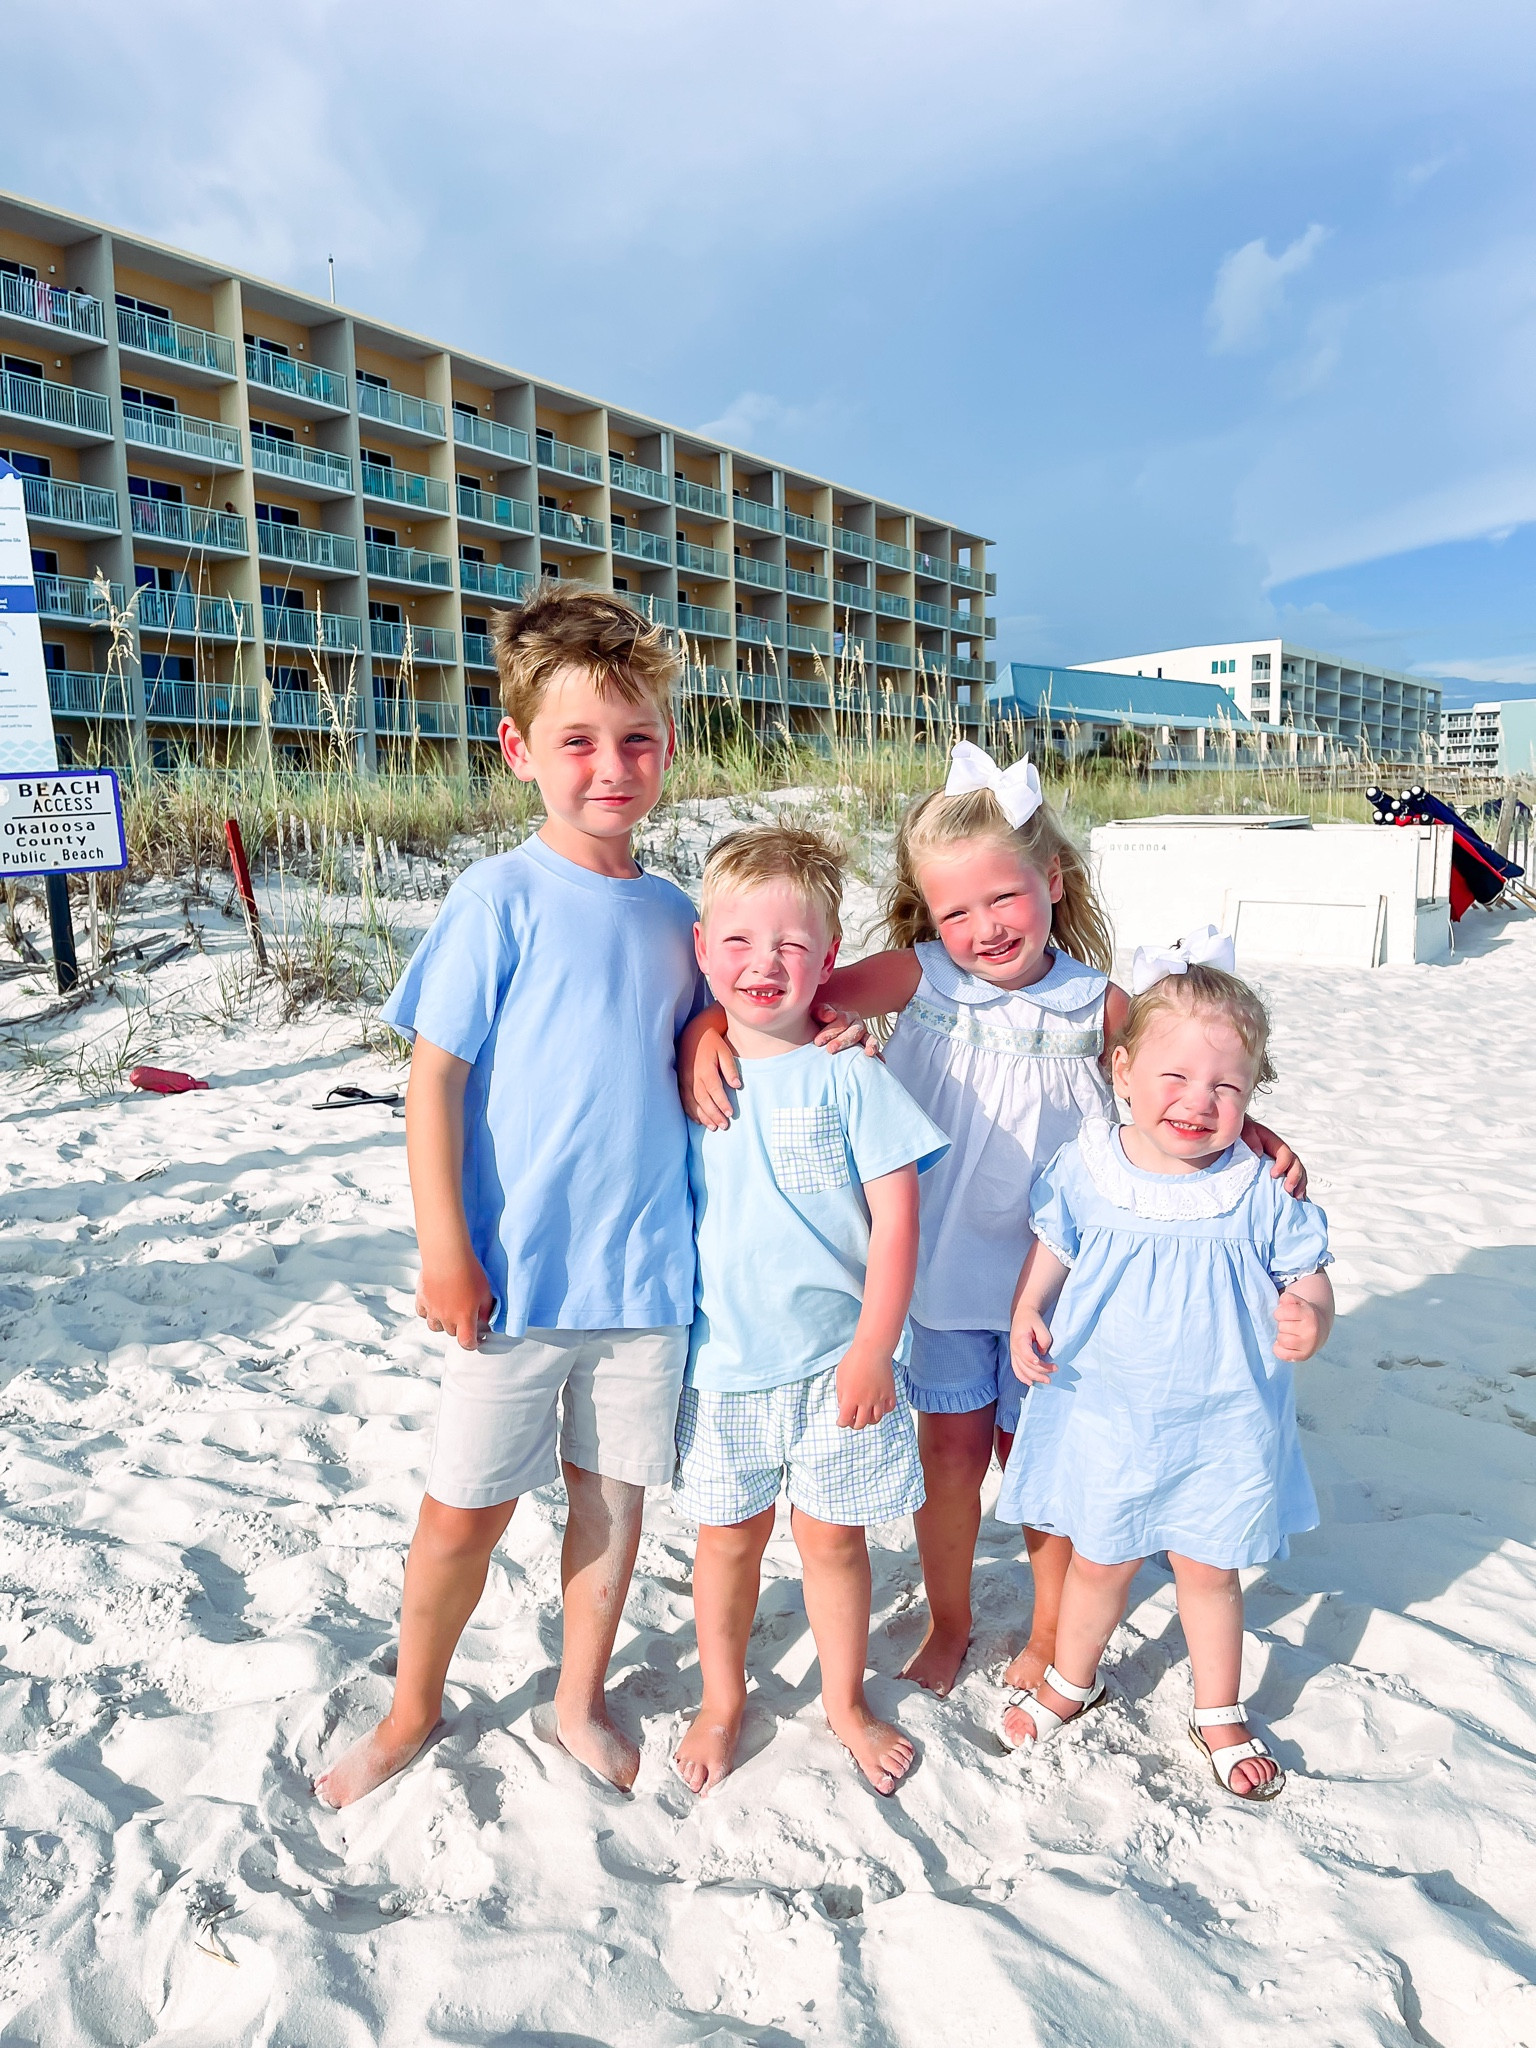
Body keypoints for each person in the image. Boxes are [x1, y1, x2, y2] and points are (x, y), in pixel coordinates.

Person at [683, 742, 1307, 1701]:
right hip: (937, 1272)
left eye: (1004, 898)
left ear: (1051, 879)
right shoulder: (921, 977)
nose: (984, 928)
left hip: (1058, 1285)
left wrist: (1250, 1128)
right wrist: (701, 1033)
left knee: (1041, 1463)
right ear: (930, 917)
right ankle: (952, 1620)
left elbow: (1184, 1073)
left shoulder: (1098, 1004)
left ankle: (1052, 1632)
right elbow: (781, 1003)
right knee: (951, 1456)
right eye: (956, 911)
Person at [314, 582, 706, 1807]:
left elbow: (718, 1027)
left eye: (635, 738)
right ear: (517, 749)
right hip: (518, 1277)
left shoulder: (682, 914)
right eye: (578, 740)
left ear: (669, 744)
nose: (611, 766)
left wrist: (709, 1032)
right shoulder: (499, 895)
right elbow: (434, 1080)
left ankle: (576, 1696)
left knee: (611, 1504)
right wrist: (447, 1246)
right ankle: (412, 1705)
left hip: (646, 1278)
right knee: (463, 1511)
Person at [998, 950, 1334, 1800]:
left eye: (1226, 1087)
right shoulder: (1088, 1166)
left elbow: (1306, 1269)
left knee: (1210, 1572)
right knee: (1099, 1561)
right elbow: (1055, 1247)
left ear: (1252, 1095)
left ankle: (1218, 1709)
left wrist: (1312, 1312)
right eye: (1174, 1077)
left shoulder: (1259, 1183)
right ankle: (1072, 1680)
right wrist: (1029, 1306)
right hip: (1109, 1409)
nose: (1197, 1101)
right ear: (1122, 1071)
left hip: (1224, 1420)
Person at [672, 826, 949, 1798]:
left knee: (833, 1541)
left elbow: (899, 1219)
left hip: (840, 1363)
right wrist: (696, 1034)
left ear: (829, 960)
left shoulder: (850, 1070)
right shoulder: (689, 1071)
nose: (764, 963)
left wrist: (875, 1346)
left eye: (792, 945)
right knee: (728, 1540)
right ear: (702, 949)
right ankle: (721, 1698)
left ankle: (844, 1700)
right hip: (723, 1365)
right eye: (739, 942)